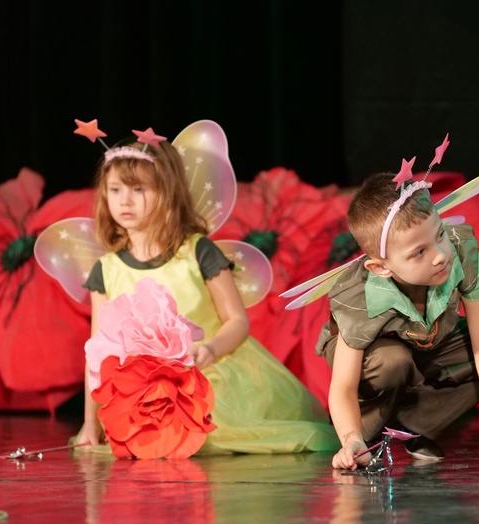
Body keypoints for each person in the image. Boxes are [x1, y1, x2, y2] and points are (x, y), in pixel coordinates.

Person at [75, 138, 339, 455]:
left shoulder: (196, 252)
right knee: (150, 438)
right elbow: (98, 354)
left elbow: (237, 321)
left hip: (207, 369)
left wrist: (210, 350)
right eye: (115, 190)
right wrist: (90, 424)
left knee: (209, 427)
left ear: (166, 191)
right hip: (145, 391)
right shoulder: (106, 270)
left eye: (139, 189)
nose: (125, 201)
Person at [317, 170, 479, 470]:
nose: (440, 256)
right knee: (393, 361)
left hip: (430, 338)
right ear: (381, 268)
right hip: (375, 358)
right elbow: (343, 385)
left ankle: (414, 426)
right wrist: (350, 438)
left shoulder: (460, 253)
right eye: (419, 252)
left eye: (440, 234)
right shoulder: (361, 294)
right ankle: (368, 431)